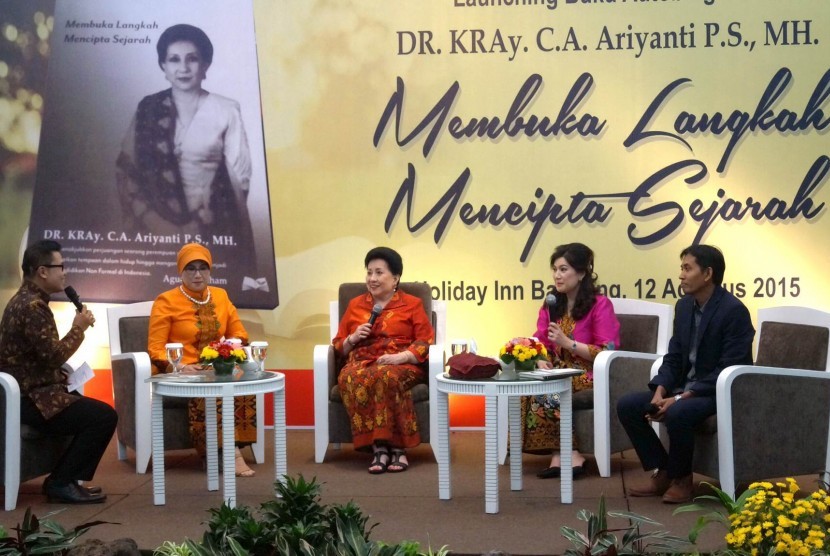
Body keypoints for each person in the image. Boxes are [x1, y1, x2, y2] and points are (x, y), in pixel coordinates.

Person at [617, 245, 754, 504]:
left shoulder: (733, 311)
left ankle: (683, 480)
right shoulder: (684, 307)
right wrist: (660, 391)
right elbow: (674, 357)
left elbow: (730, 367)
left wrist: (680, 399)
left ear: (707, 274)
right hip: (683, 388)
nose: (680, 275)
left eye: (687, 268)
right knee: (628, 406)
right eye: (681, 268)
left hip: (717, 391)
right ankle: (664, 471)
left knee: (678, 413)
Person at [116, 23, 255, 277]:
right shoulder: (149, 108)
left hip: (210, 229)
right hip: (156, 229)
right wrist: (157, 222)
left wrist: (210, 220)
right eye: (174, 60)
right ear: (163, 67)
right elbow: (127, 170)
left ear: (205, 65)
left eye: (192, 59)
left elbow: (241, 180)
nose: (183, 68)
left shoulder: (226, 109)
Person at [0, 240, 117, 504]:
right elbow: (54, 356)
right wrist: (79, 328)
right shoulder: (32, 307)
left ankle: (65, 479)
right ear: (43, 271)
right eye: (60, 266)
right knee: (103, 417)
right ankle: (61, 482)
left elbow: (43, 358)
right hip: (31, 399)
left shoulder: (28, 301)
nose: (64, 272)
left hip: (35, 392)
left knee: (90, 410)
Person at [147, 243, 256, 477]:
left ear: (210, 271)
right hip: (182, 371)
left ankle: (228, 450)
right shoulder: (165, 301)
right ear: (181, 272)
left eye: (203, 268)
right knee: (211, 386)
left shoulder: (220, 295)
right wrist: (179, 366)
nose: (198, 274)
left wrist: (226, 350)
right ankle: (225, 454)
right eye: (190, 269)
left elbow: (240, 334)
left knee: (242, 378)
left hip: (217, 365)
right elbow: (155, 348)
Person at [333, 247, 434, 474]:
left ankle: (397, 448)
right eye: (369, 273)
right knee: (349, 376)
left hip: (402, 362)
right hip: (362, 361)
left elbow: (425, 341)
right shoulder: (356, 305)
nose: (372, 279)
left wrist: (402, 356)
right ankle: (379, 448)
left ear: (395, 278)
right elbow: (339, 346)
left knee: (385, 375)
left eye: (379, 273)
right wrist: (353, 337)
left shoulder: (412, 304)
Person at [524, 243, 620, 479]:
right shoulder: (551, 304)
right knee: (532, 385)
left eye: (564, 269)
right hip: (557, 370)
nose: (557, 275)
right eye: (555, 269)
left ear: (582, 273)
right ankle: (559, 453)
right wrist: (540, 359)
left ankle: (570, 453)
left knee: (549, 392)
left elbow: (608, 350)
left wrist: (569, 344)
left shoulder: (600, 305)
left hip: (588, 373)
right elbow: (540, 340)